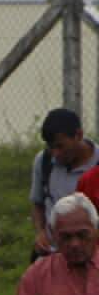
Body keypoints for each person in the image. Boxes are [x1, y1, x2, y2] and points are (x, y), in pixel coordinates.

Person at [34, 109, 97, 258]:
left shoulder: (96, 170)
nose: (55, 153)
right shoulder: (44, 162)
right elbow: (38, 203)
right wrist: (40, 233)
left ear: (79, 135)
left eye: (60, 146)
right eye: (51, 147)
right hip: (51, 253)